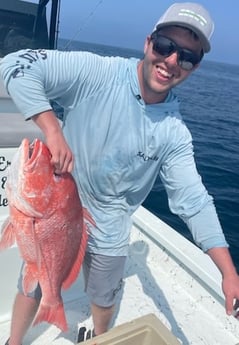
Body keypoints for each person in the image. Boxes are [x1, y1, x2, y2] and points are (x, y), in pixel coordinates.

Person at [1, 2, 239, 344]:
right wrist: (52, 128)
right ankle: (13, 341)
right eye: (165, 46)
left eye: (187, 56)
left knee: (103, 295)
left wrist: (228, 273)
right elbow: (15, 64)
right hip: (56, 212)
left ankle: (99, 337)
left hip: (110, 228)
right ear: (148, 42)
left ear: (195, 66)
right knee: (33, 278)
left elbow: (193, 201)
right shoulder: (97, 73)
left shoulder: (174, 132)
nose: (172, 61)